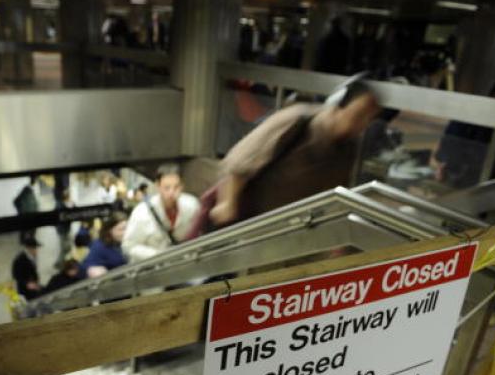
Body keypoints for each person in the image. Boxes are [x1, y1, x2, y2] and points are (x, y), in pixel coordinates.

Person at [189, 79, 380, 238]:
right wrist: (227, 203)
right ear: (337, 106)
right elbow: (240, 162)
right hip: (244, 218)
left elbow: (336, 192)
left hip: (282, 228)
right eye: (358, 115)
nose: (362, 124)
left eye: (368, 119)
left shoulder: (348, 147)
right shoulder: (298, 120)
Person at [430, 80, 495, 188]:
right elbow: (446, 149)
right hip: (461, 176)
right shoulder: (470, 116)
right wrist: (443, 166)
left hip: (480, 179)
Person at [122, 165, 201, 263]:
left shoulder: (192, 205)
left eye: (176, 187)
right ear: (158, 186)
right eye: (166, 188)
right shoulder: (142, 213)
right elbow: (128, 246)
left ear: (182, 186)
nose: (172, 192)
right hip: (151, 268)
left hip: (181, 263)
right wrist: (158, 255)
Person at [82, 212, 128, 278]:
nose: (125, 233)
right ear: (110, 230)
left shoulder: (127, 240)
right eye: (121, 229)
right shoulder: (99, 246)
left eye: (127, 228)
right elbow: (87, 265)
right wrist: (93, 270)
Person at [14, 174, 39, 243]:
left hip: (32, 214)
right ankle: (24, 240)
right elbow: (16, 201)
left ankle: (29, 239)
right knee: (26, 229)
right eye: (35, 179)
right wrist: (21, 212)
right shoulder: (26, 189)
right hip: (27, 214)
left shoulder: (31, 189)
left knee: (31, 229)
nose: (36, 181)